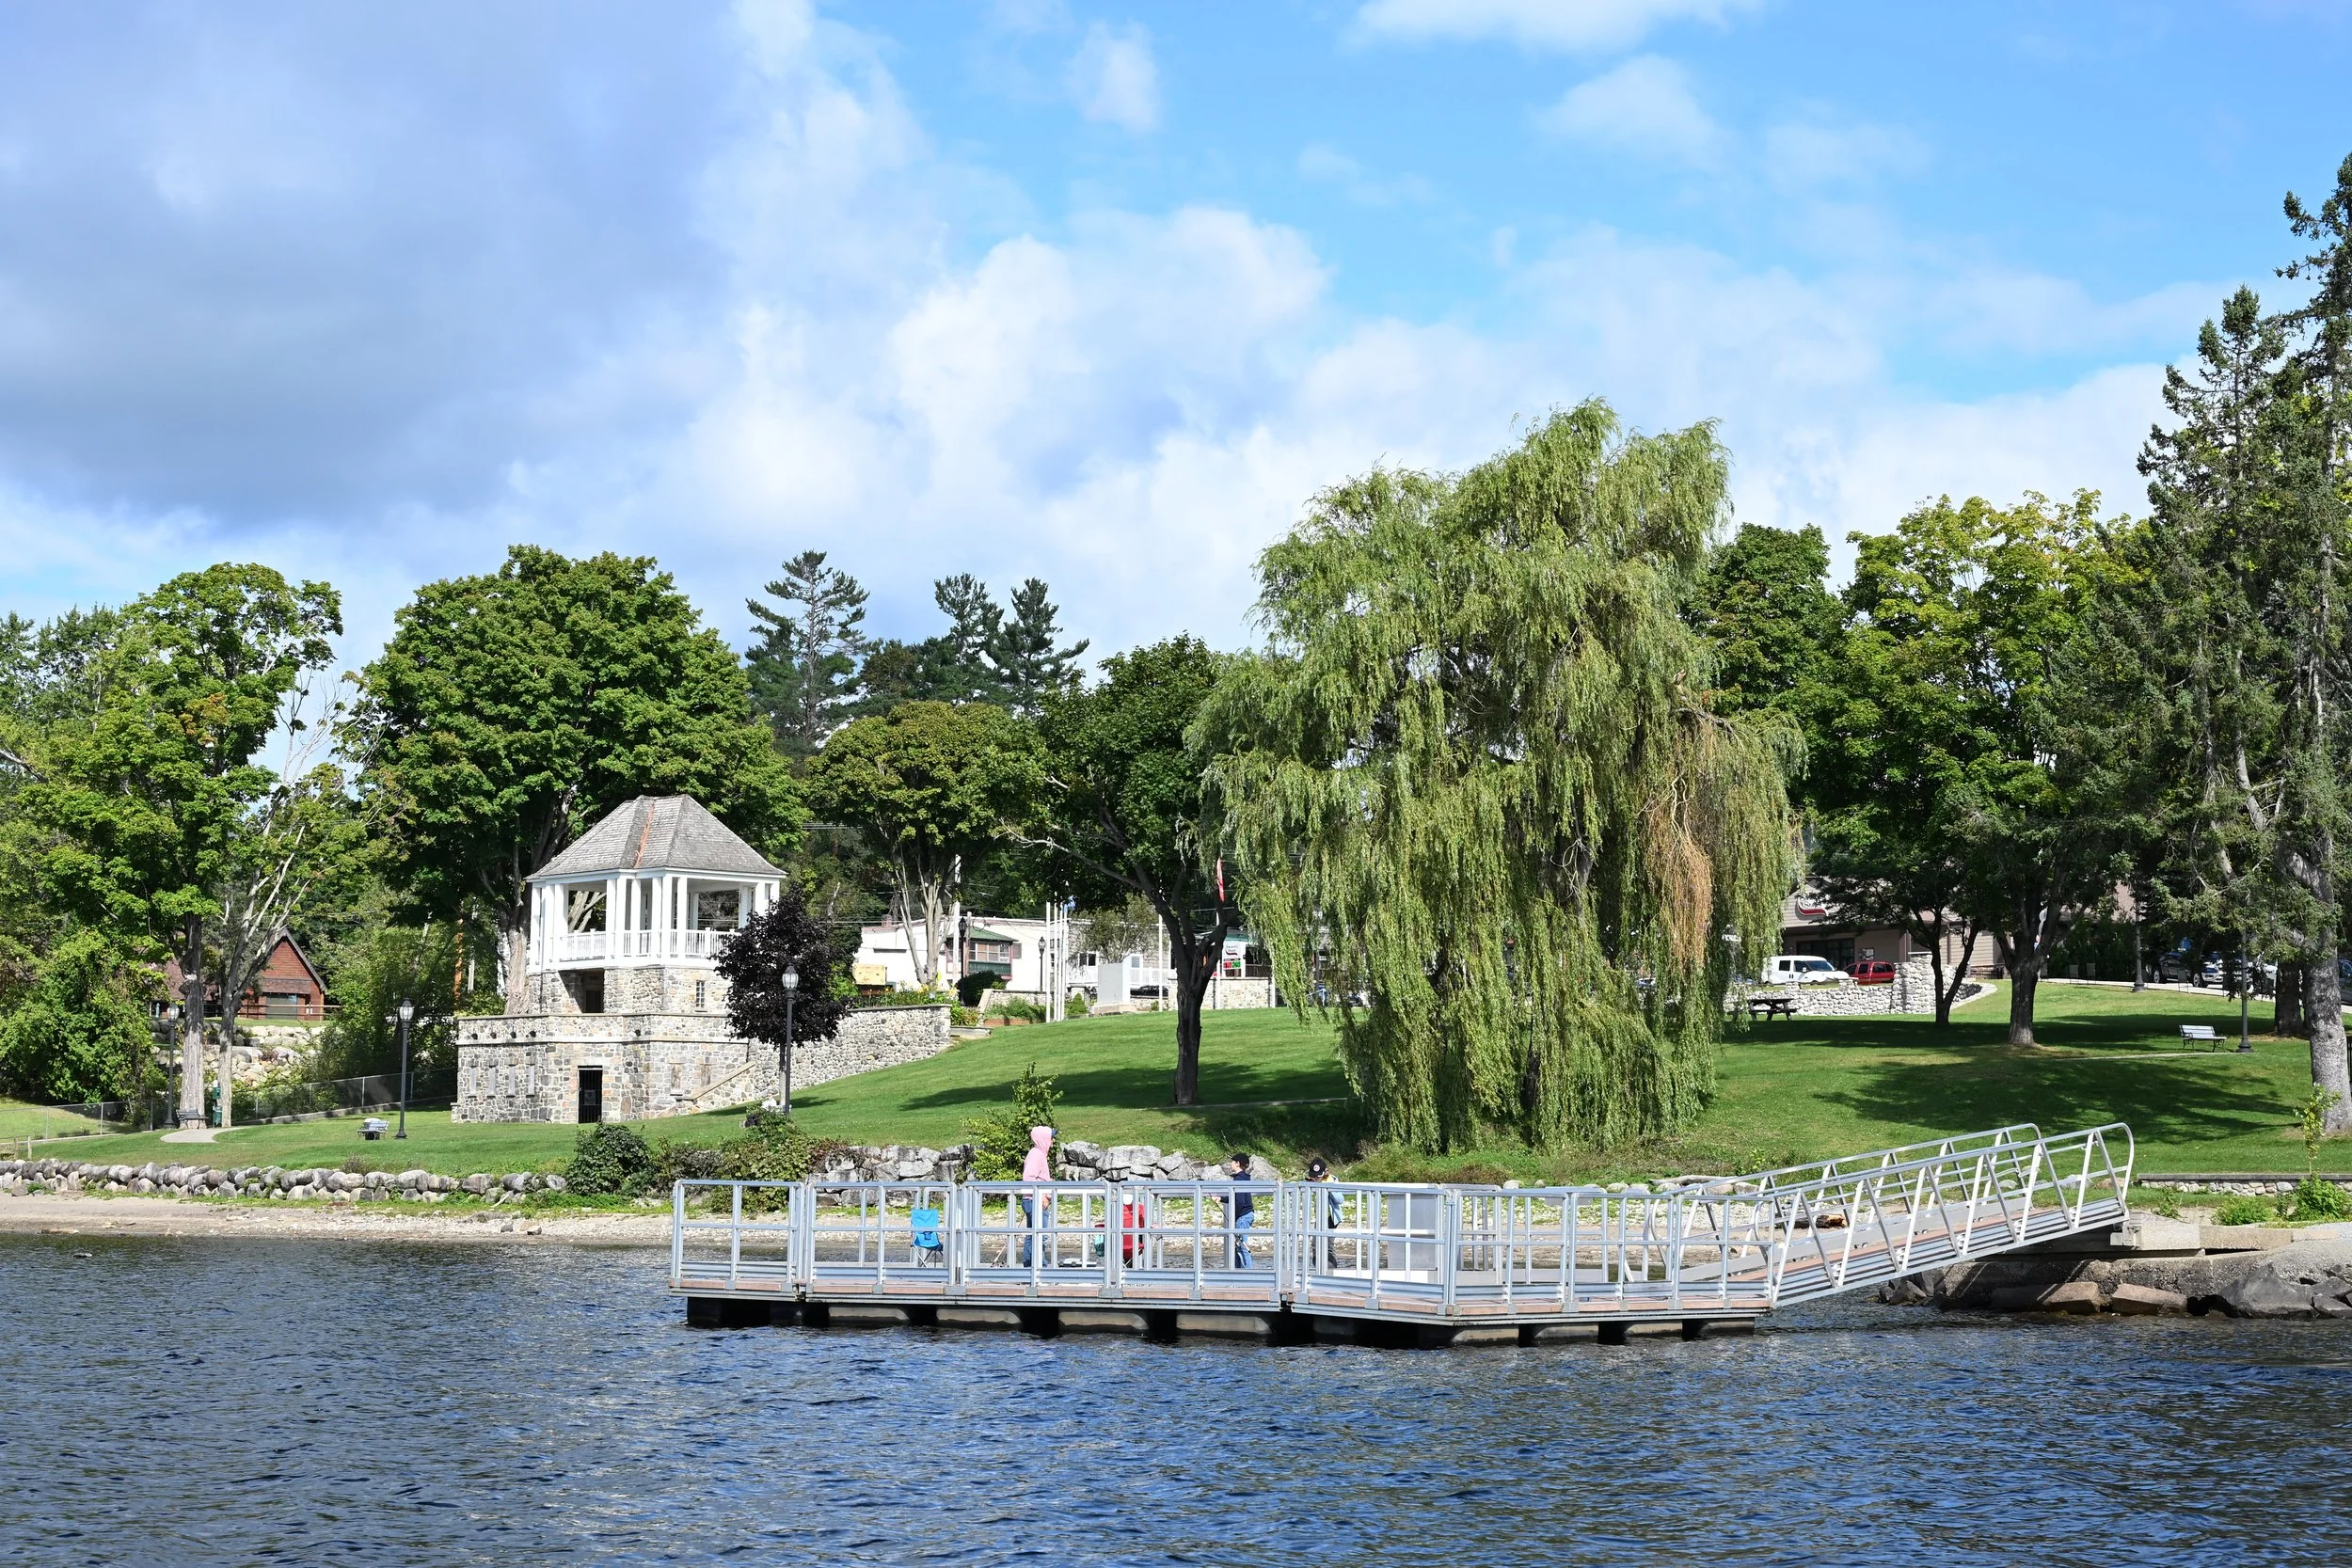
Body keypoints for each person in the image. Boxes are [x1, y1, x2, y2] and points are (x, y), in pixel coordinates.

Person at [1021, 1125, 1054, 1266]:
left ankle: (1029, 1267)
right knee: (1040, 1236)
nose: (1052, 1142)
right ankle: (1039, 1268)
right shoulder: (1037, 1154)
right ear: (1043, 1139)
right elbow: (1028, 1177)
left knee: (1032, 1235)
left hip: (1031, 1200)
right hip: (1035, 1201)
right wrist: (1042, 1196)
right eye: (1051, 1138)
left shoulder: (1036, 1154)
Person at [1305, 1154, 1342, 1270]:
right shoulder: (1313, 1181)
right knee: (1315, 1243)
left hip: (1331, 1217)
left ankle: (1331, 1269)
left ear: (1325, 1172)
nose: (1316, 1178)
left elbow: (1340, 1199)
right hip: (1320, 1216)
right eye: (1314, 1176)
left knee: (1328, 1244)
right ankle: (1319, 1267)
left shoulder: (1332, 1180)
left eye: (1318, 1176)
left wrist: (1329, 1188)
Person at [1227, 1151, 1257, 1268]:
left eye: (1232, 1162)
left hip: (1243, 1216)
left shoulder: (1238, 1179)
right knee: (1239, 1245)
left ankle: (1248, 1273)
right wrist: (1221, 1198)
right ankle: (1239, 1271)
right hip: (1248, 1214)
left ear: (1238, 1163)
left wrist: (1234, 1215)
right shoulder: (1245, 1178)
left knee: (1242, 1245)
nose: (1230, 1164)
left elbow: (1240, 1201)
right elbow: (1236, 1197)